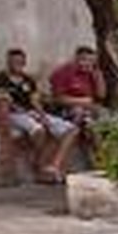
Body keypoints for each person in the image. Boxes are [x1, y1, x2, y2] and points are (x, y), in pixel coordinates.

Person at [0, 47, 67, 183]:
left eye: (20, 62)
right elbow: (0, 101)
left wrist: (42, 115)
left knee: (55, 129)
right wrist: (23, 112)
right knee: (38, 130)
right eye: (13, 62)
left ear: (24, 62)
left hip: (29, 113)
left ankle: (46, 164)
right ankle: (41, 165)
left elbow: (34, 100)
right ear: (8, 62)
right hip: (13, 114)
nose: (16, 64)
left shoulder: (28, 80)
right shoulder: (0, 80)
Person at [40, 45, 107, 177]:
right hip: (66, 109)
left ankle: (104, 161)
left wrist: (98, 75)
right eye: (83, 60)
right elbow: (57, 99)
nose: (86, 64)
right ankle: (102, 162)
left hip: (89, 109)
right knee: (87, 122)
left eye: (90, 61)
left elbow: (101, 95)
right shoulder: (63, 72)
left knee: (111, 121)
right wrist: (82, 102)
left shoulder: (91, 74)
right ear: (76, 58)